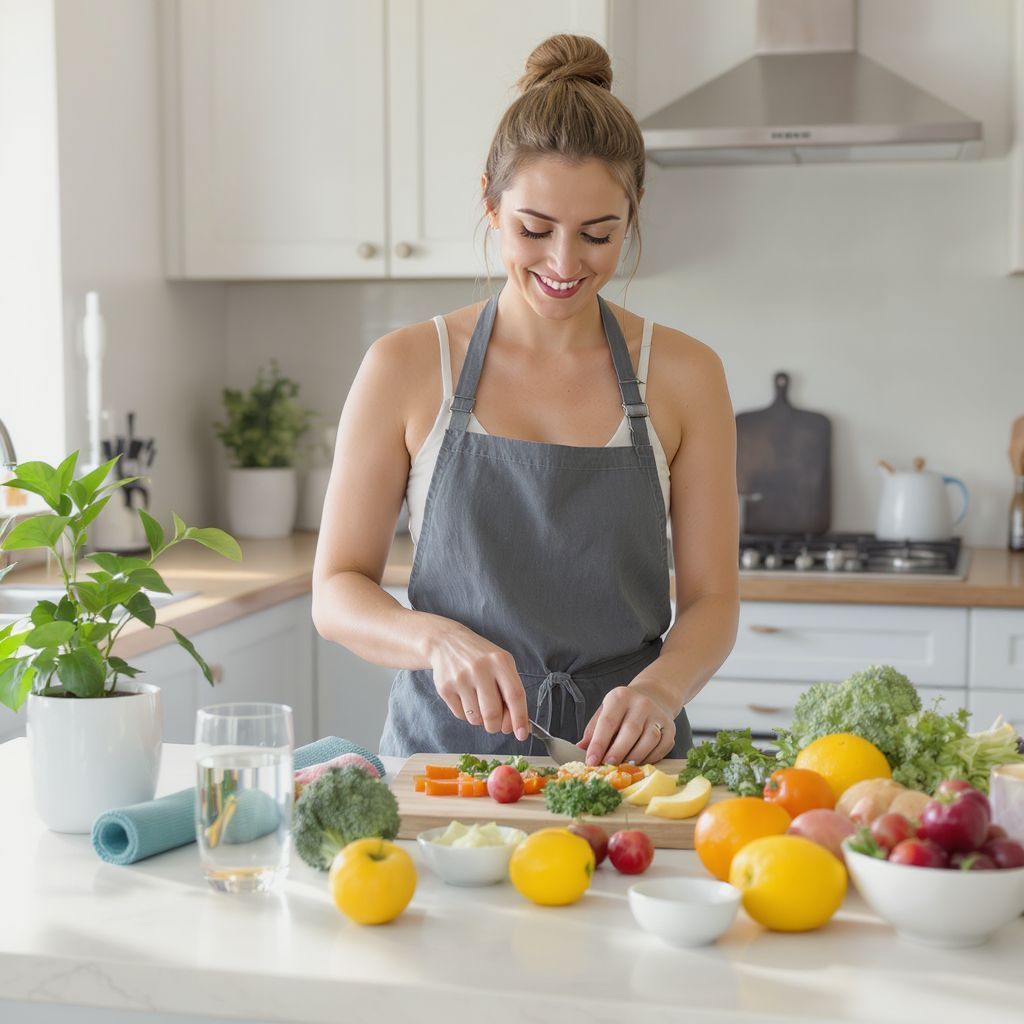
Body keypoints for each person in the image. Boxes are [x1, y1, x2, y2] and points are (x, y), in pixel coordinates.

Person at [312, 34, 739, 766]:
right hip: (446, 765)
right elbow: (336, 590)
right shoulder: (408, 367)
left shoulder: (684, 374)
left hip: (628, 769)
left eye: (598, 235)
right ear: (489, 200)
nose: (565, 264)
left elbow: (712, 602)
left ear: (631, 216)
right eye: (534, 230)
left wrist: (662, 691)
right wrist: (435, 639)